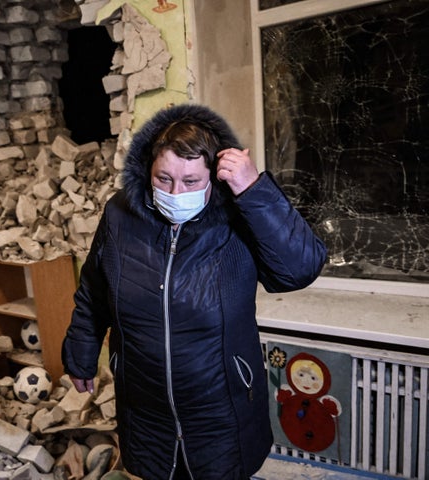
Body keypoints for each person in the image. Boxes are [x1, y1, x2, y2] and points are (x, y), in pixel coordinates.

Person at [61, 104, 327, 480]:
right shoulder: (121, 214)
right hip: (144, 405)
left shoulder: (237, 214)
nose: (175, 191)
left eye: (190, 181)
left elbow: (300, 269)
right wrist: (80, 352)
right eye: (164, 178)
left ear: (213, 177)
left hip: (221, 408)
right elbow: (93, 288)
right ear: (146, 171)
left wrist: (255, 190)